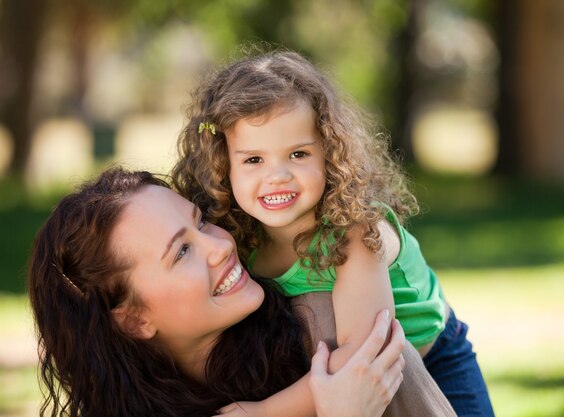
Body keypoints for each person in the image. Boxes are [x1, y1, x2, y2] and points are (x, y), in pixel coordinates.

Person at [172, 50, 493, 417]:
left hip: (433, 355)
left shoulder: (354, 231)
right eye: (253, 160)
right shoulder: (233, 236)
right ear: (223, 164)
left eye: (298, 155)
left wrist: (258, 413)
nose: (277, 176)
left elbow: (362, 357)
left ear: (329, 152)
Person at [28, 167, 449, 417]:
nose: (221, 245)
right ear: (135, 318)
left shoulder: (328, 335)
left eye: (200, 222)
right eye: (183, 251)